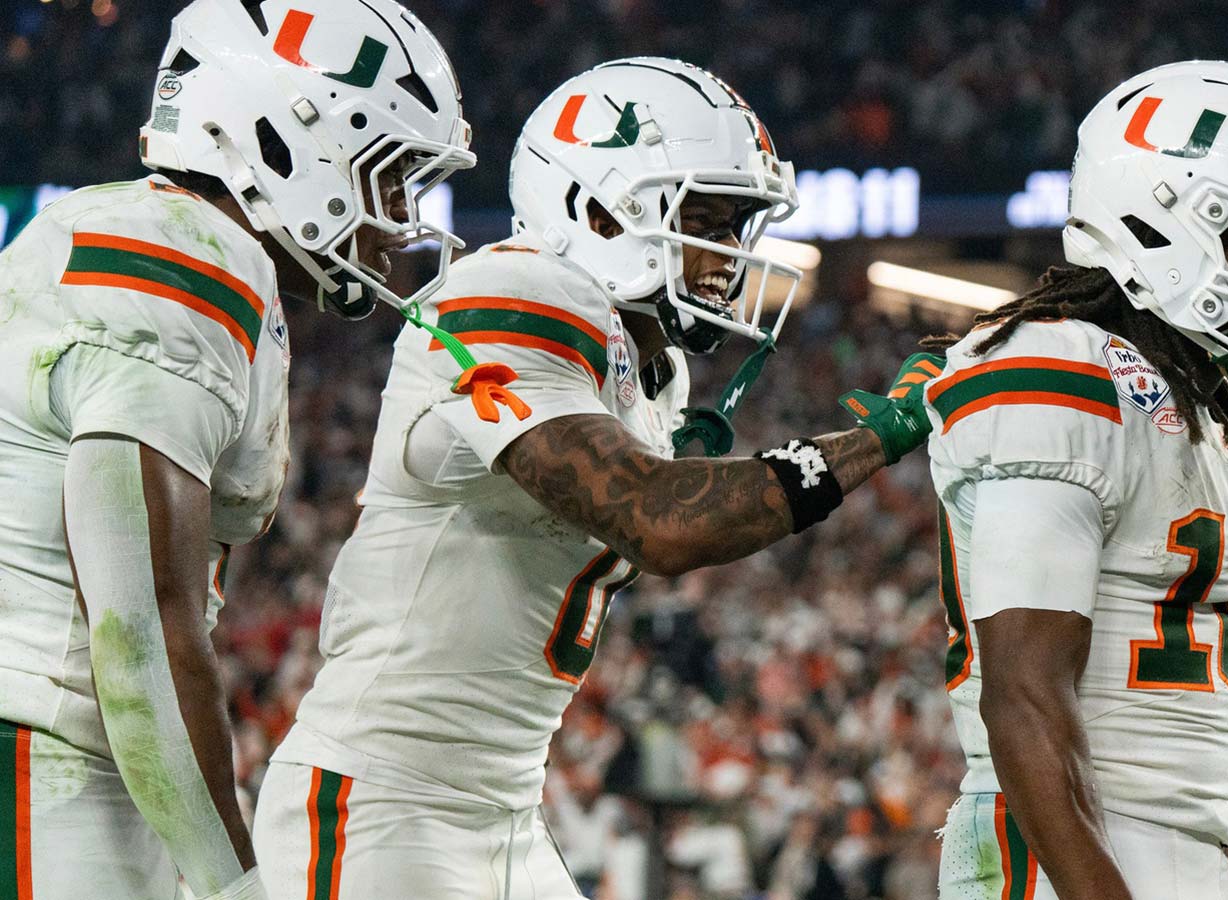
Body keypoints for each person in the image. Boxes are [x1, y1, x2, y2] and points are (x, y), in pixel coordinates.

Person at [251, 57, 932, 900]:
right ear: (601, 208)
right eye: (707, 218)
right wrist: (874, 439)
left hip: (503, 812)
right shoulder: (510, 289)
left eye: (737, 223)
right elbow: (658, 522)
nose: (728, 253)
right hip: (383, 805)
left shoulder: (649, 370)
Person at [0, 1, 474, 898]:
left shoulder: (185, 250)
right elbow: (137, 633)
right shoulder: (178, 256)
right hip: (36, 761)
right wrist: (233, 887)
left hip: (72, 760)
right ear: (288, 142)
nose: (402, 218)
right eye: (392, 175)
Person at [925, 61, 1228, 900]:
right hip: (1061, 852)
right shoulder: (1058, 367)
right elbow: (1024, 694)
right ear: (1165, 228)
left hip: (1187, 855)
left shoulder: (1225, 409)